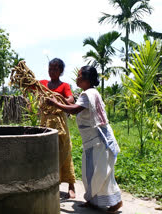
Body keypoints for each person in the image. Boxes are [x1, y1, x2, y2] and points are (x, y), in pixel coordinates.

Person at [46, 65, 123, 213]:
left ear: (87, 79)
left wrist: (55, 103)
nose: (77, 77)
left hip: (99, 141)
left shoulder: (88, 94)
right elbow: (74, 105)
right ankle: (93, 200)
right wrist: (61, 98)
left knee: (101, 173)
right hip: (92, 141)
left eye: (80, 75)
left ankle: (116, 202)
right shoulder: (89, 93)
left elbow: (74, 110)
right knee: (90, 173)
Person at [39, 58, 76, 198]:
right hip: (45, 122)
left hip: (59, 122)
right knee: (46, 152)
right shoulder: (42, 84)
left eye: (55, 69)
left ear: (60, 71)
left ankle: (71, 185)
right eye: (50, 68)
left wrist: (59, 98)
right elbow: (28, 84)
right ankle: (49, 183)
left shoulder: (64, 86)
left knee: (64, 150)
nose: (52, 71)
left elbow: (71, 99)